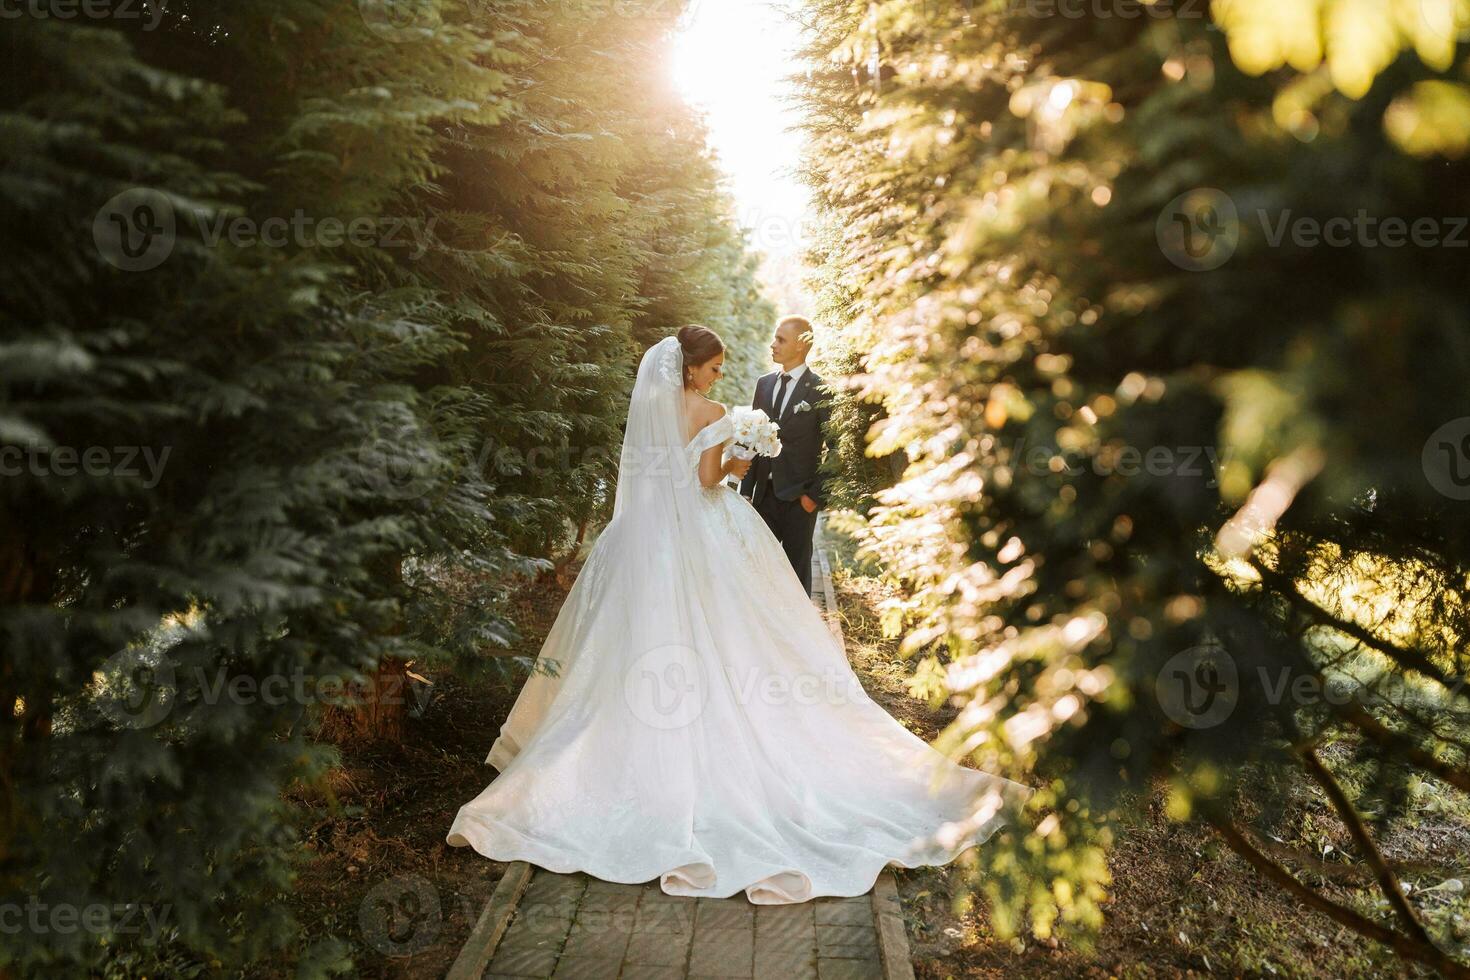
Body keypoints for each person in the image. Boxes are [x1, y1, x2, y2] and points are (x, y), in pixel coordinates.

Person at [446, 326, 1028, 904]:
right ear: (693, 366)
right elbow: (704, 480)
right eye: (715, 366)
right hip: (700, 531)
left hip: (642, 537)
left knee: (627, 640)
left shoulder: (649, 404)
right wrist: (734, 464)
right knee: (735, 628)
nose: (719, 376)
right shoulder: (710, 409)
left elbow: (652, 476)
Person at [739, 315, 829, 595]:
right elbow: (752, 440)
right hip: (762, 498)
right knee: (755, 571)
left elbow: (836, 452)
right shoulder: (763, 384)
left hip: (798, 502)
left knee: (795, 579)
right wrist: (746, 492)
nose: (773, 344)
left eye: (780, 339)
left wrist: (813, 498)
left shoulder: (820, 390)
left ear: (801, 345)